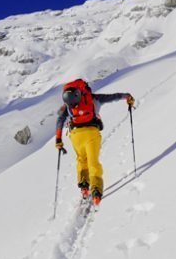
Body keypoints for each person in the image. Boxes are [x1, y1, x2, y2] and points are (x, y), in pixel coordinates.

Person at [55, 78, 135, 206]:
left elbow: (60, 119)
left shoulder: (67, 106)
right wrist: (127, 96)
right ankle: (96, 192)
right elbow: (112, 97)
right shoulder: (93, 98)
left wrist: (58, 139)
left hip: (76, 135)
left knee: (81, 159)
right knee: (93, 161)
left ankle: (84, 187)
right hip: (92, 133)